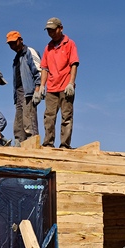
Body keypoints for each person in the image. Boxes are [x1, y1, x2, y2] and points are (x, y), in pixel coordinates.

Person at [38, 17, 79, 149]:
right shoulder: (48, 48)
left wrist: (71, 83)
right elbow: (44, 68)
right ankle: (48, 143)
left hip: (66, 86)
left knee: (66, 116)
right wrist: (42, 87)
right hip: (51, 87)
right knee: (49, 116)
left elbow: (74, 64)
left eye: (53, 30)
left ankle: (64, 145)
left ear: (60, 28)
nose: (50, 33)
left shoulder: (69, 43)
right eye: (48, 31)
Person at [6, 30, 42, 145]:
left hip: (29, 92)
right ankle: (20, 143)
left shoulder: (29, 52)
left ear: (20, 40)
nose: (12, 46)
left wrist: (38, 90)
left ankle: (32, 144)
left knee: (29, 121)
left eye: (14, 43)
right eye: (10, 44)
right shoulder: (16, 59)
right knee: (19, 122)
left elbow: (39, 71)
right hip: (19, 93)